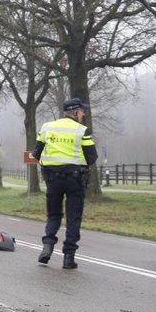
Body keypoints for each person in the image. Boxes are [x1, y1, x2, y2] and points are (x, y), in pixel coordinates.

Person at [33, 97, 97, 269]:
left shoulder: (46, 128)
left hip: (53, 179)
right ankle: (68, 258)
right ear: (76, 112)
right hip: (75, 180)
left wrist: (52, 164)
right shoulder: (82, 131)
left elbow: (36, 153)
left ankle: (47, 247)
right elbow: (92, 156)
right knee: (73, 218)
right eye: (82, 111)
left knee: (53, 215)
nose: (83, 114)